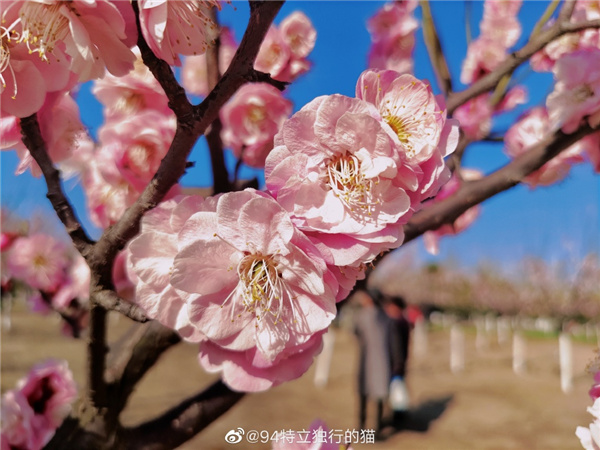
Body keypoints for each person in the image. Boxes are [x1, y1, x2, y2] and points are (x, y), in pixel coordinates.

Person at [352, 288, 390, 432]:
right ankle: (378, 428)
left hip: (366, 359)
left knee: (363, 394)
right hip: (382, 360)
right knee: (379, 395)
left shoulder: (362, 316)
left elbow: (355, 332)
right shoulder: (385, 316)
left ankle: (361, 427)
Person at [382, 294, 411, 422]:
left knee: (396, 389)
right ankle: (397, 415)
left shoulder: (397, 322)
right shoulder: (402, 321)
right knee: (396, 389)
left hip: (395, 364)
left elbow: (397, 345)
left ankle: (398, 418)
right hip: (397, 362)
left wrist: (398, 363)